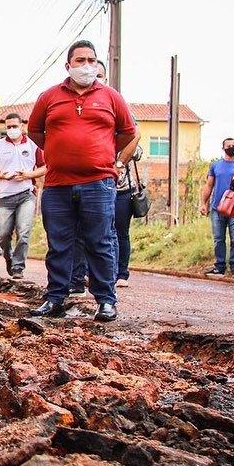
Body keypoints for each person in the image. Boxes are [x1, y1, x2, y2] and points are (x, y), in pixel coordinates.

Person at [28, 40, 137, 321]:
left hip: (98, 182)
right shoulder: (49, 97)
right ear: (68, 65)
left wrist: (110, 158)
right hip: (57, 183)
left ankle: (105, 300)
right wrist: (61, 151)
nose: (86, 65)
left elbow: (127, 133)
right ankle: (55, 298)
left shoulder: (111, 97)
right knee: (59, 243)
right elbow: (36, 132)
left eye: (91, 60)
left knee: (99, 241)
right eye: (80, 60)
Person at [69, 59, 139, 295]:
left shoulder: (116, 105)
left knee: (113, 232)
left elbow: (135, 144)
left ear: (105, 79)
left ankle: (117, 275)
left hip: (117, 184)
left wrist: (116, 161)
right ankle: (80, 277)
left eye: (99, 75)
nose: (93, 78)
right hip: (83, 182)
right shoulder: (75, 105)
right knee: (81, 232)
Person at [0, 112, 45, 278]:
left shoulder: (33, 145)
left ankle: (18, 267)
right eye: (9, 127)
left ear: (22, 127)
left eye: (14, 126)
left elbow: (44, 167)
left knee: (24, 231)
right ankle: (8, 256)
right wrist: (2, 176)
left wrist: (28, 175)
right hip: (5, 197)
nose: (12, 129)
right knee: (3, 234)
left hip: (26, 194)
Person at [199, 138, 234, 277]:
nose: (231, 147)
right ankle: (219, 266)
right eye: (228, 145)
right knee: (219, 238)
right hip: (217, 207)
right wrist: (203, 203)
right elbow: (209, 185)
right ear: (223, 147)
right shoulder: (215, 165)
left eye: (233, 145)